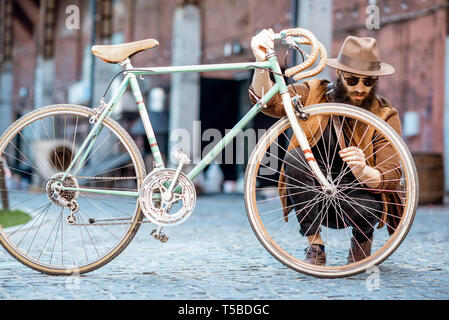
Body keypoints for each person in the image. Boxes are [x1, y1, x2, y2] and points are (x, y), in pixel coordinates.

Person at [249, 29, 403, 265]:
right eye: (352, 80)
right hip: (313, 197)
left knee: (372, 201)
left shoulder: (384, 115)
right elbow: (270, 103)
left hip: (358, 200)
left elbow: (392, 175)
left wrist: (364, 171)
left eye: (369, 81)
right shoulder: (313, 94)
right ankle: (315, 244)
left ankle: (362, 241)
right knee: (294, 158)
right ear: (339, 73)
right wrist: (261, 63)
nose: (360, 88)